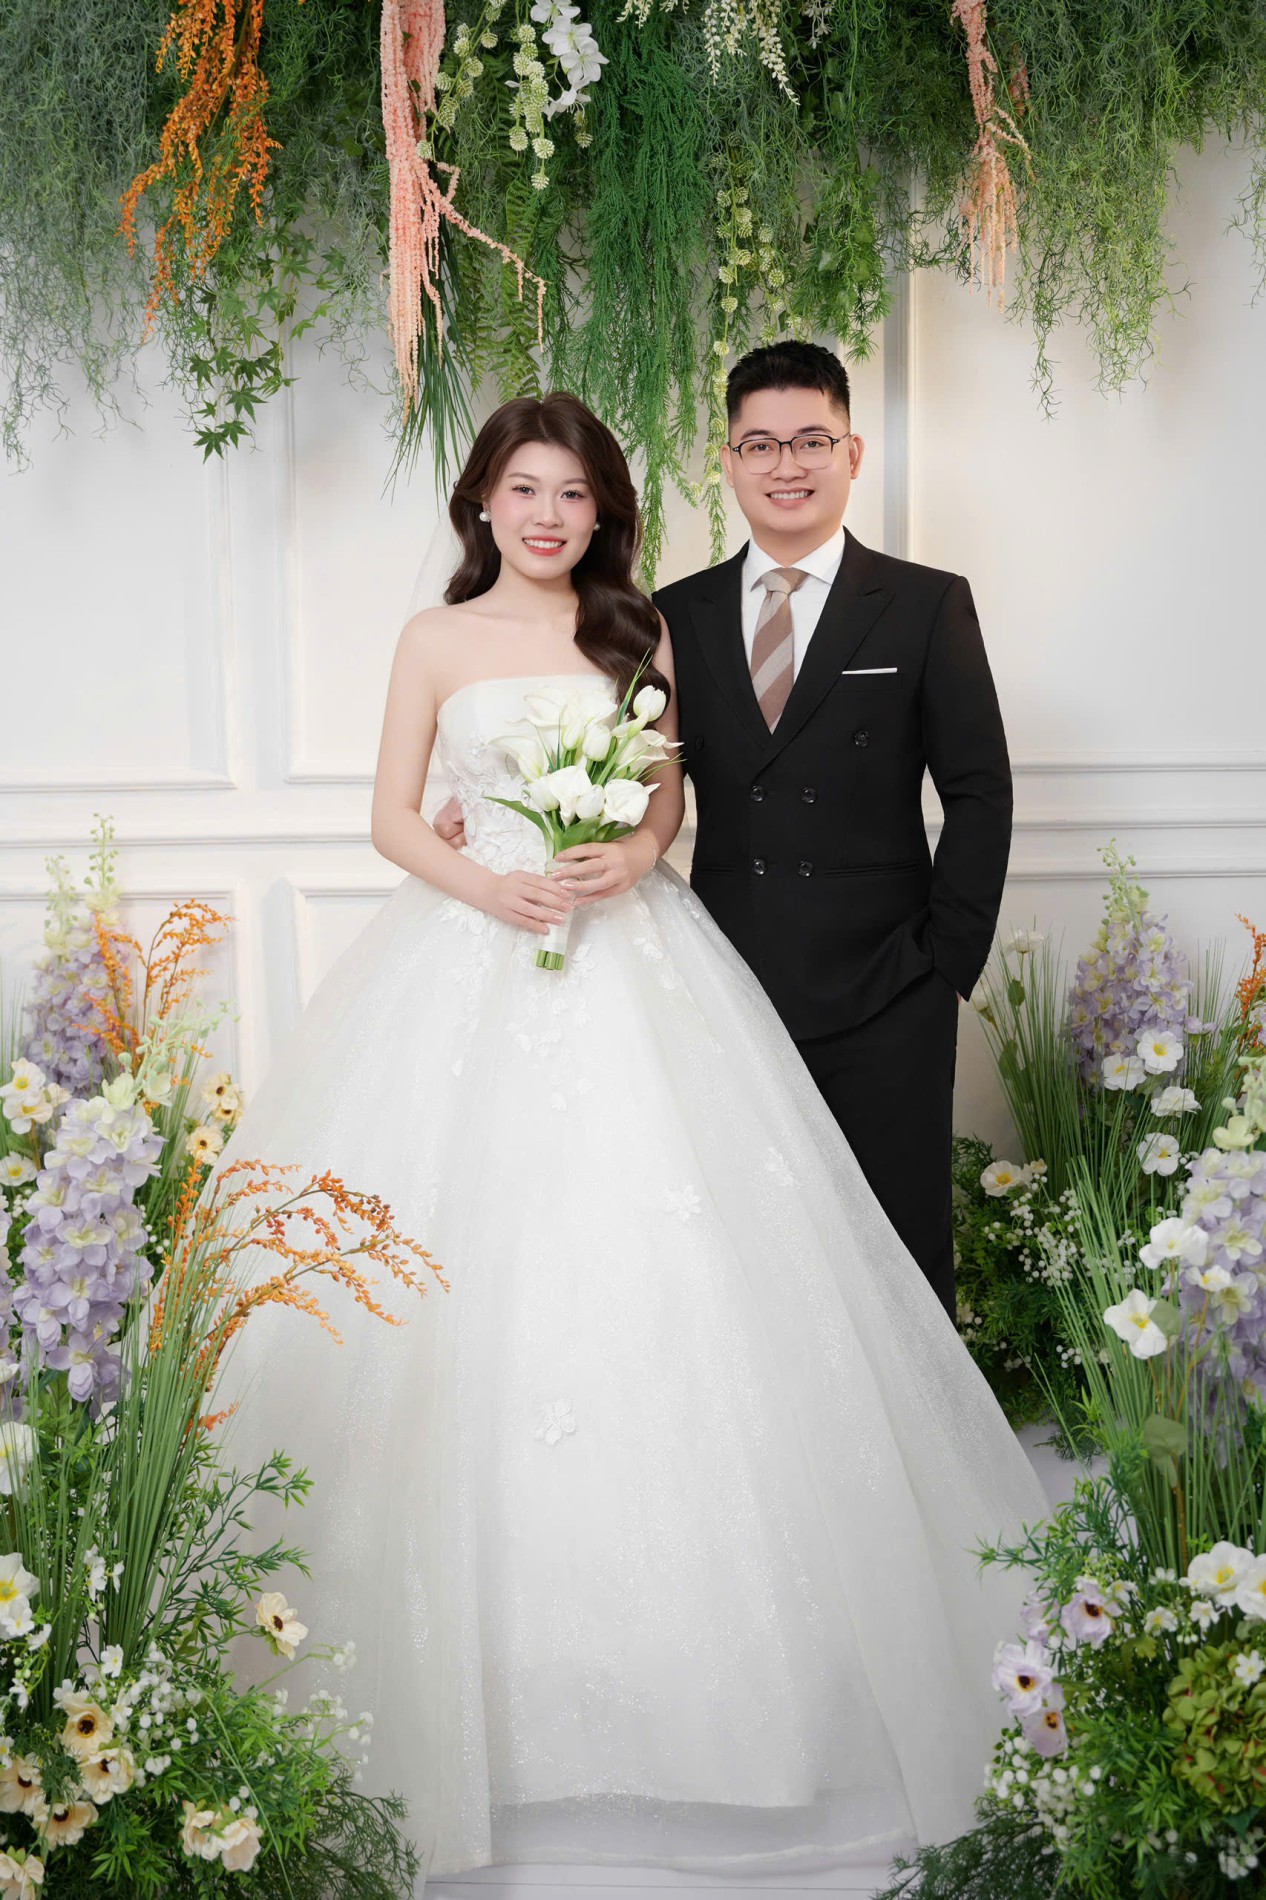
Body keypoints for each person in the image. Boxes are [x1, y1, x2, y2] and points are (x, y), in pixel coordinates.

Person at [218, 390, 1046, 1891]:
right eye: (524, 489)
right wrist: (491, 886)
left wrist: (631, 852)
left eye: (575, 494)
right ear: (482, 503)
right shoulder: (433, 641)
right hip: (470, 946)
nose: (549, 515)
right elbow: (394, 817)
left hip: (632, 952)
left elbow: (668, 796)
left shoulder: (639, 631)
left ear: (603, 511)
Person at [439, 342, 1011, 1320]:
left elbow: (980, 790)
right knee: (748, 1260)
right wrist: (487, 803)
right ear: (729, 461)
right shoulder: (672, 615)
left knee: (900, 1249)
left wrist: (943, 964)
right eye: (761, 444)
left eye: (811, 440)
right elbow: (623, 765)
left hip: (889, 985)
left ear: (852, 453)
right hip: (725, 978)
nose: (787, 464)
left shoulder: (925, 603)